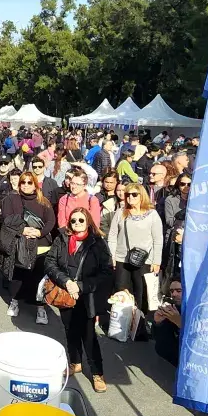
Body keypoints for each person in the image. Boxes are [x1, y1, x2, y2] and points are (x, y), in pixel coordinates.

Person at [45, 206, 114, 393]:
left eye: (81, 220)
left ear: (88, 221)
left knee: (89, 335)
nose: (77, 224)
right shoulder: (62, 238)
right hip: (66, 292)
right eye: (73, 220)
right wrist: (66, 282)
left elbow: (106, 272)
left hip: (87, 295)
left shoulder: (98, 243)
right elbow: (50, 262)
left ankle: (97, 373)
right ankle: (75, 362)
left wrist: (81, 286)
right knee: (70, 330)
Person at [2, 170, 56, 324]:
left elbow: (51, 221)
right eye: (22, 182)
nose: (25, 185)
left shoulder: (43, 201)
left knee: (39, 279)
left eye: (29, 182)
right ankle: (15, 301)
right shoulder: (12, 199)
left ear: (35, 185)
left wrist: (39, 232)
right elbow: (7, 219)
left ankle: (40, 308)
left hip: (41, 245)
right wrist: (22, 230)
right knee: (18, 276)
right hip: (20, 243)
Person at [107, 182, 164, 320]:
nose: (130, 197)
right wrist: (112, 256)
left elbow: (158, 239)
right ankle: (122, 321)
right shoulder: (121, 212)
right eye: (127, 195)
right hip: (122, 258)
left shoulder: (152, 214)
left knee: (141, 292)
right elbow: (112, 236)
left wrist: (157, 261)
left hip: (145, 260)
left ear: (141, 196)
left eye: (134, 194)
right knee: (121, 291)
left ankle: (139, 323)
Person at [55, 168, 101, 234]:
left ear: (84, 185)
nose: (74, 186)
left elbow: (95, 222)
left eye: (77, 184)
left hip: (87, 237)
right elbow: (62, 222)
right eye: (72, 183)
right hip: (69, 235)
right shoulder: (64, 199)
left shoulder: (92, 200)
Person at [153, 279, 182, 367]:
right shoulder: (173, 308)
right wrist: (158, 322)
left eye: (179, 291)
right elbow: (159, 340)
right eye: (172, 291)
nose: (174, 294)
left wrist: (180, 324)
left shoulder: (198, 310)